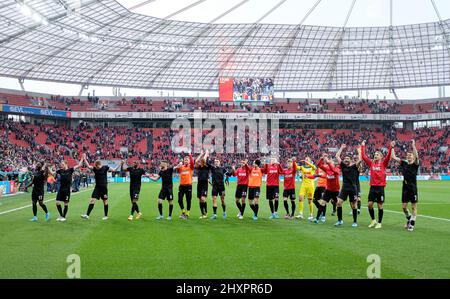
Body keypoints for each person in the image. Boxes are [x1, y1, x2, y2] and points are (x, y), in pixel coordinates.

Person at [360, 140, 394, 229]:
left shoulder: (384, 163)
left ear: (381, 157)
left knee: (379, 205)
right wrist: (363, 146)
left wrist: (391, 147)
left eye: (377, 154)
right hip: (372, 187)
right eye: (375, 154)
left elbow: (389, 156)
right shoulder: (371, 163)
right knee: (369, 205)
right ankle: (373, 220)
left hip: (380, 188)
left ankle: (379, 222)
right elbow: (363, 156)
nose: (375, 155)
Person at [81, 154, 121, 220]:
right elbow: (88, 166)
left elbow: (114, 170)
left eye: (97, 167)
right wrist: (84, 159)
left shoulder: (105, 167)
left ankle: (106, 216)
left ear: (99, 165)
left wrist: (120, 164)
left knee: (105, 201)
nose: (96, 168)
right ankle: (87, 215)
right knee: (92, 200)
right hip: (97, 188)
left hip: (104, 188)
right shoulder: (95, 168)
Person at [391, 140, 420, 232]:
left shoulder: (415, 164)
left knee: (413, 207)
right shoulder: (404, 163)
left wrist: (413, 145)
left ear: (413, 157)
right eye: (407, 155)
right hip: (405, 188)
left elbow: (417, 155)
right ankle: (409, 219)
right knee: (404, 207)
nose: (408, 156)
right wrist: (392, 147)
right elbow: (393, 157)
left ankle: (411, 224)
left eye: (410, 155)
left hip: (413, 188)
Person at [335, 144, 362, 227]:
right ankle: (340, 220)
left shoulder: (354, 166)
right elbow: (337, 156)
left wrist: (359, 151)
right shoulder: (343, 166)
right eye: (345, 158)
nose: (346, 160)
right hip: (344, 188)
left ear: (351, 160)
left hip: (353, 188)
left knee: (354, 205)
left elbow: (360, 160)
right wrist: (341, 148)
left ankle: (355, 222)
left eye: (347, 159)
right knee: (339, 203)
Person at [314, 154, 340, 224]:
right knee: (322, 202)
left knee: (338, 204)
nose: (329, 162)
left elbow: (333, 169)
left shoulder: (337, 169)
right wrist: (321, 158)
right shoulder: (327, 169)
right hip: (328, 190)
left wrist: (328, 161)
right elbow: (319, 165)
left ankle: (340, 220)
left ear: (334, 163)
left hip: (336, 190)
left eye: (331, 162)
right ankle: (317, 218)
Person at [177, 153, 194, 219]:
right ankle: (183, 212)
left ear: (189, 161)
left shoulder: (191, 167)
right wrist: (179, 164)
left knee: (188, 200)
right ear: (183, 161)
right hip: (181, 186)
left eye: (187, 160)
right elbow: (178, 169)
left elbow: (192, 162)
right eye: (185, 160)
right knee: (179, 200)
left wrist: (190, 155)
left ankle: (187, 214)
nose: (186, 161)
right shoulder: (181, 167)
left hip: (188, 186)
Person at [195, 150, 211, 219]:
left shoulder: (206, 167)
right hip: (199, 184)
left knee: (203, 198)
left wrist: (206, 153)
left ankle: (205, 212)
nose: (200, 162)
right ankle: (202, 213)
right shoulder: (199, 167)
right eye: (200, 161)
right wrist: (201, 154)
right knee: (200, 199)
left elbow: (204, 159)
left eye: (202, 161)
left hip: (205, 184)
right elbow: (196, 161)